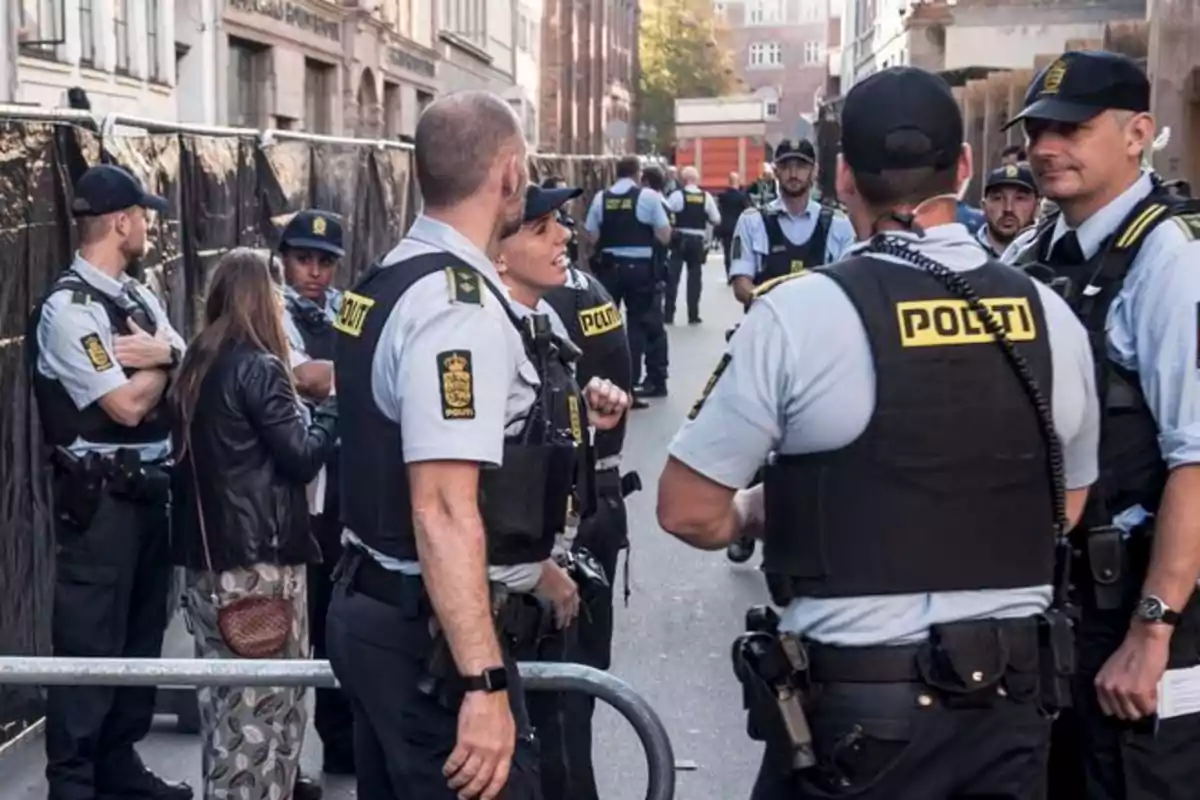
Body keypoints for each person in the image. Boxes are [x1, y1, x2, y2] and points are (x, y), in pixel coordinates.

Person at [657, 66, 1100, 799]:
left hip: (862, 714)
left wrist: (760, 510)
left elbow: (687, 509)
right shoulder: (1050, 316)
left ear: (841, 179)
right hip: (1011, 712)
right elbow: (1068, 506)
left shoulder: (800, 315)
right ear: (962, 170)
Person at [323, 90, 627, 800]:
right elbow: (444, 510)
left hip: (377, 608)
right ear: (510, 173)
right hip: (425, 641)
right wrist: (484, 683)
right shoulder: (455, 306)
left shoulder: (390, 276)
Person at [1001, 49, 1200, 800]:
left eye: (1072, 129)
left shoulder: (1173, 261)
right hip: (1051, 608)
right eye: (1037, 129)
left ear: (1137, 132)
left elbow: (1196, 455)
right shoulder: (1031, 252)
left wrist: (1153, 635)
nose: (1045, 147)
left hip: (1142, 609)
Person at [27, 164, 192, 800]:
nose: (148, 226)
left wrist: (166, 359)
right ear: (121, 222)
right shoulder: (69, 309)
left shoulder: (139, 297)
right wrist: (164, 368)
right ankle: (72, 781)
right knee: (89, 643)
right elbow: (123, 406)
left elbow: (183, 355)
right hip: (99, 502)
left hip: (151, 494)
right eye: (143, 216)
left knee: (139, 640)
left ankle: (118, 766)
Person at [169, 248, 338, 800]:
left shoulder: (197, 362)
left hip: (207, 563)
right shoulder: (260, 366)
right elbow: (301, 455)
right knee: (265, 717)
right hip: (259, 563)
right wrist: (334, 410)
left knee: (226, 708)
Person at [493, 182, 633, 800]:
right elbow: (469, 483)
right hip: (511, 585)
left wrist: (588, 411)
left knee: (569, 720)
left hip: (570, 544)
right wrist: (533, 570)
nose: (564, 236)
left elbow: (547, 429)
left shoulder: (548, 315)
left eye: (562, 223)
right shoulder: (474, 328)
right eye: (542, 225)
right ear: (498, 249)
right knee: (532, 736)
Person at [275, 208, 356, 776]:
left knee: (336, 619)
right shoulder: (270, 308)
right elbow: (307, 378)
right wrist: (354, 368)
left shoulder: (346, 308)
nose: (315, 272)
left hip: (347, 480)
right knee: (287, 629)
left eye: (325, 262)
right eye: (305, 259)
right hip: (294, 487)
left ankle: (341, 743)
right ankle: (280, 758)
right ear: (284, 259)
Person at [727, 139, 856, 308]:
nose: (793, 173)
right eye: (785, 166)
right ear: (776, 171)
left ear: (814, 171)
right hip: (769, 325)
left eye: (801, 166)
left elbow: (849, 285)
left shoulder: (838, 224)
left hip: (821, 326)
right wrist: (776, 310)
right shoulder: (752, 222)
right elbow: (741, 284)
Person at [585, 155, 672, 400]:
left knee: (606, 324)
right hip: (641, 271)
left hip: (609, 269)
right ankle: (629, 382)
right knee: (638, 324)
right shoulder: (648, 197)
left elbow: (591, 236)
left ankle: (606, 379)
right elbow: (665, 234)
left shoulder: (601, 198)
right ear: (637, 173)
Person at [664, 166, 721, 325]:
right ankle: (693, 314)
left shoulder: (677, 195)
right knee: (694, 278)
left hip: (679, 239)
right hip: (697, 240)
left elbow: (666, 212)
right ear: (696, 180)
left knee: (673, 277)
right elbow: (716, 219)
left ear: (684, 180)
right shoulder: (706, 197)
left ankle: (668, 314)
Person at [977, 163, 1039, 257]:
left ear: (1037, 206)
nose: (1008, 208)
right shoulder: (966, 255)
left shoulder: (1048, 253)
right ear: (984, 206)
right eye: (998, 198)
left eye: (1020, 198)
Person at [716, 172, 750, 276]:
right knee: (737, 252)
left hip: (725, 227)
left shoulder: (722, 196)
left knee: (727, 251)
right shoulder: (741, 197)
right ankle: (736, 273)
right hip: (738, 227)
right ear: (737, 182)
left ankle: (728, 273)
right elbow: (748, 210)